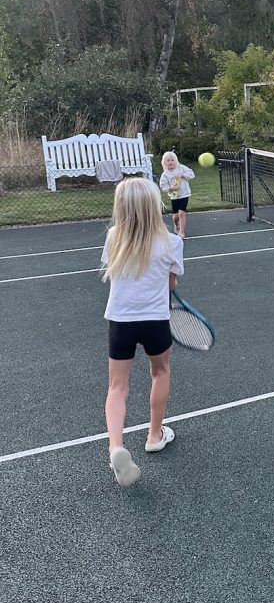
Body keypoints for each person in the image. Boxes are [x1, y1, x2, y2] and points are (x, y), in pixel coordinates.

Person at [101, 177, 184, 487]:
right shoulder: (173, 241)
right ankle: (154, 435)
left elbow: (117, 276)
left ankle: (116, 447)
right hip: (155, 321)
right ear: (154, 205)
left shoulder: (113, 237)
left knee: (116, 388)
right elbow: (171, 284)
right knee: (160, 372)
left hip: (121, 321)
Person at [159, 151, 195, 238]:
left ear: (176, 161)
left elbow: (192, 174)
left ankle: (182, 232)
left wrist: (183, 175)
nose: (170, 162)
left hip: (184, 194)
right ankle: (176, 225)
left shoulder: (181, 168)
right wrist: (170, 188)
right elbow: (163, 185)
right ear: (164, 163)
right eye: (168, 160)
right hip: (174, 197)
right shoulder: (165, 174)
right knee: (175, 216)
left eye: (172, 160)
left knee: (181, 214)